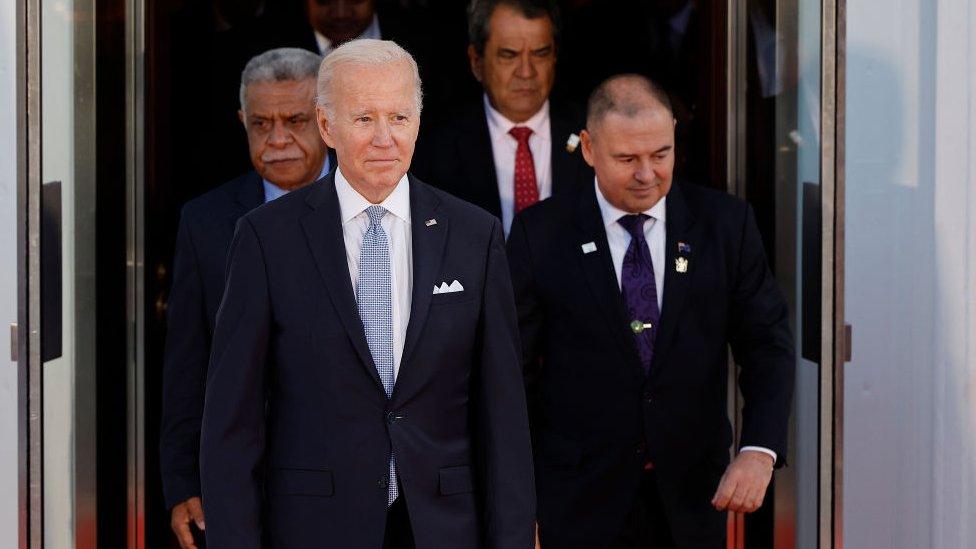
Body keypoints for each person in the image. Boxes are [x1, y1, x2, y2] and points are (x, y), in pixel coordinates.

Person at [200, 39, 535, 549]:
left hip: (443, 528)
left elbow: (503, 417)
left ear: (418, 124)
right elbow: (233, 424)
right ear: (327, 126)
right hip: (314, 528)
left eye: (399, 118)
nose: (384, 139)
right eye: (364, 119)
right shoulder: (266, 240)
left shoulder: (475, 235)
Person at [506, 74, 795, 548]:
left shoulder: (726, 226)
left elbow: (767, 345)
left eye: (661, 154)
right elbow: (512, 373)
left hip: (692, 499)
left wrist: (758, 450)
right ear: (590, 149)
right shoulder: (542, 235)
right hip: (577, 503)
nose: (647, 174)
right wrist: (517, 503)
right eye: (627, 159)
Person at [159, 47, 330, 549]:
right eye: (261, 124)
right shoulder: (206, 222)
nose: (277, 140)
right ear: (242, 120)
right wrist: (184, 481)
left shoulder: (370, 205)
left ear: (326, 119)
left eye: (295, 120)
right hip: (243, 481)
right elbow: (187, 364)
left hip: (354, 478)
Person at [412, 0, 591, 237]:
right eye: (509, 55)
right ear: (477, 62)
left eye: (540, 54)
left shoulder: (592, 133)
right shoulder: (436, 148)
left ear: (555, 58)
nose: (526, 72)